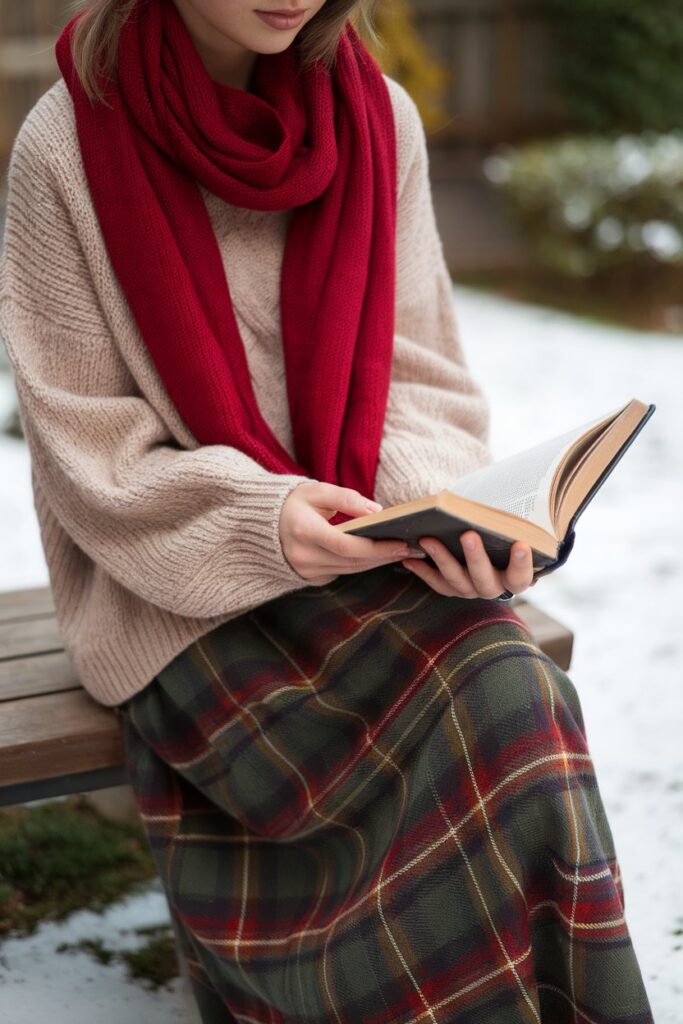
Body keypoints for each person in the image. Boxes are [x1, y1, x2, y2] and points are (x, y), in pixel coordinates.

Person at [0, 1, 654, 1021]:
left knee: (511, 692)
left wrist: (452, 521)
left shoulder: (375, 119)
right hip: (176, 590)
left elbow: (420, 376)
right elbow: (91, 454)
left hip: (357, 551)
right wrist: (264, 519)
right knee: (481, 711)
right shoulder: (67, 144)